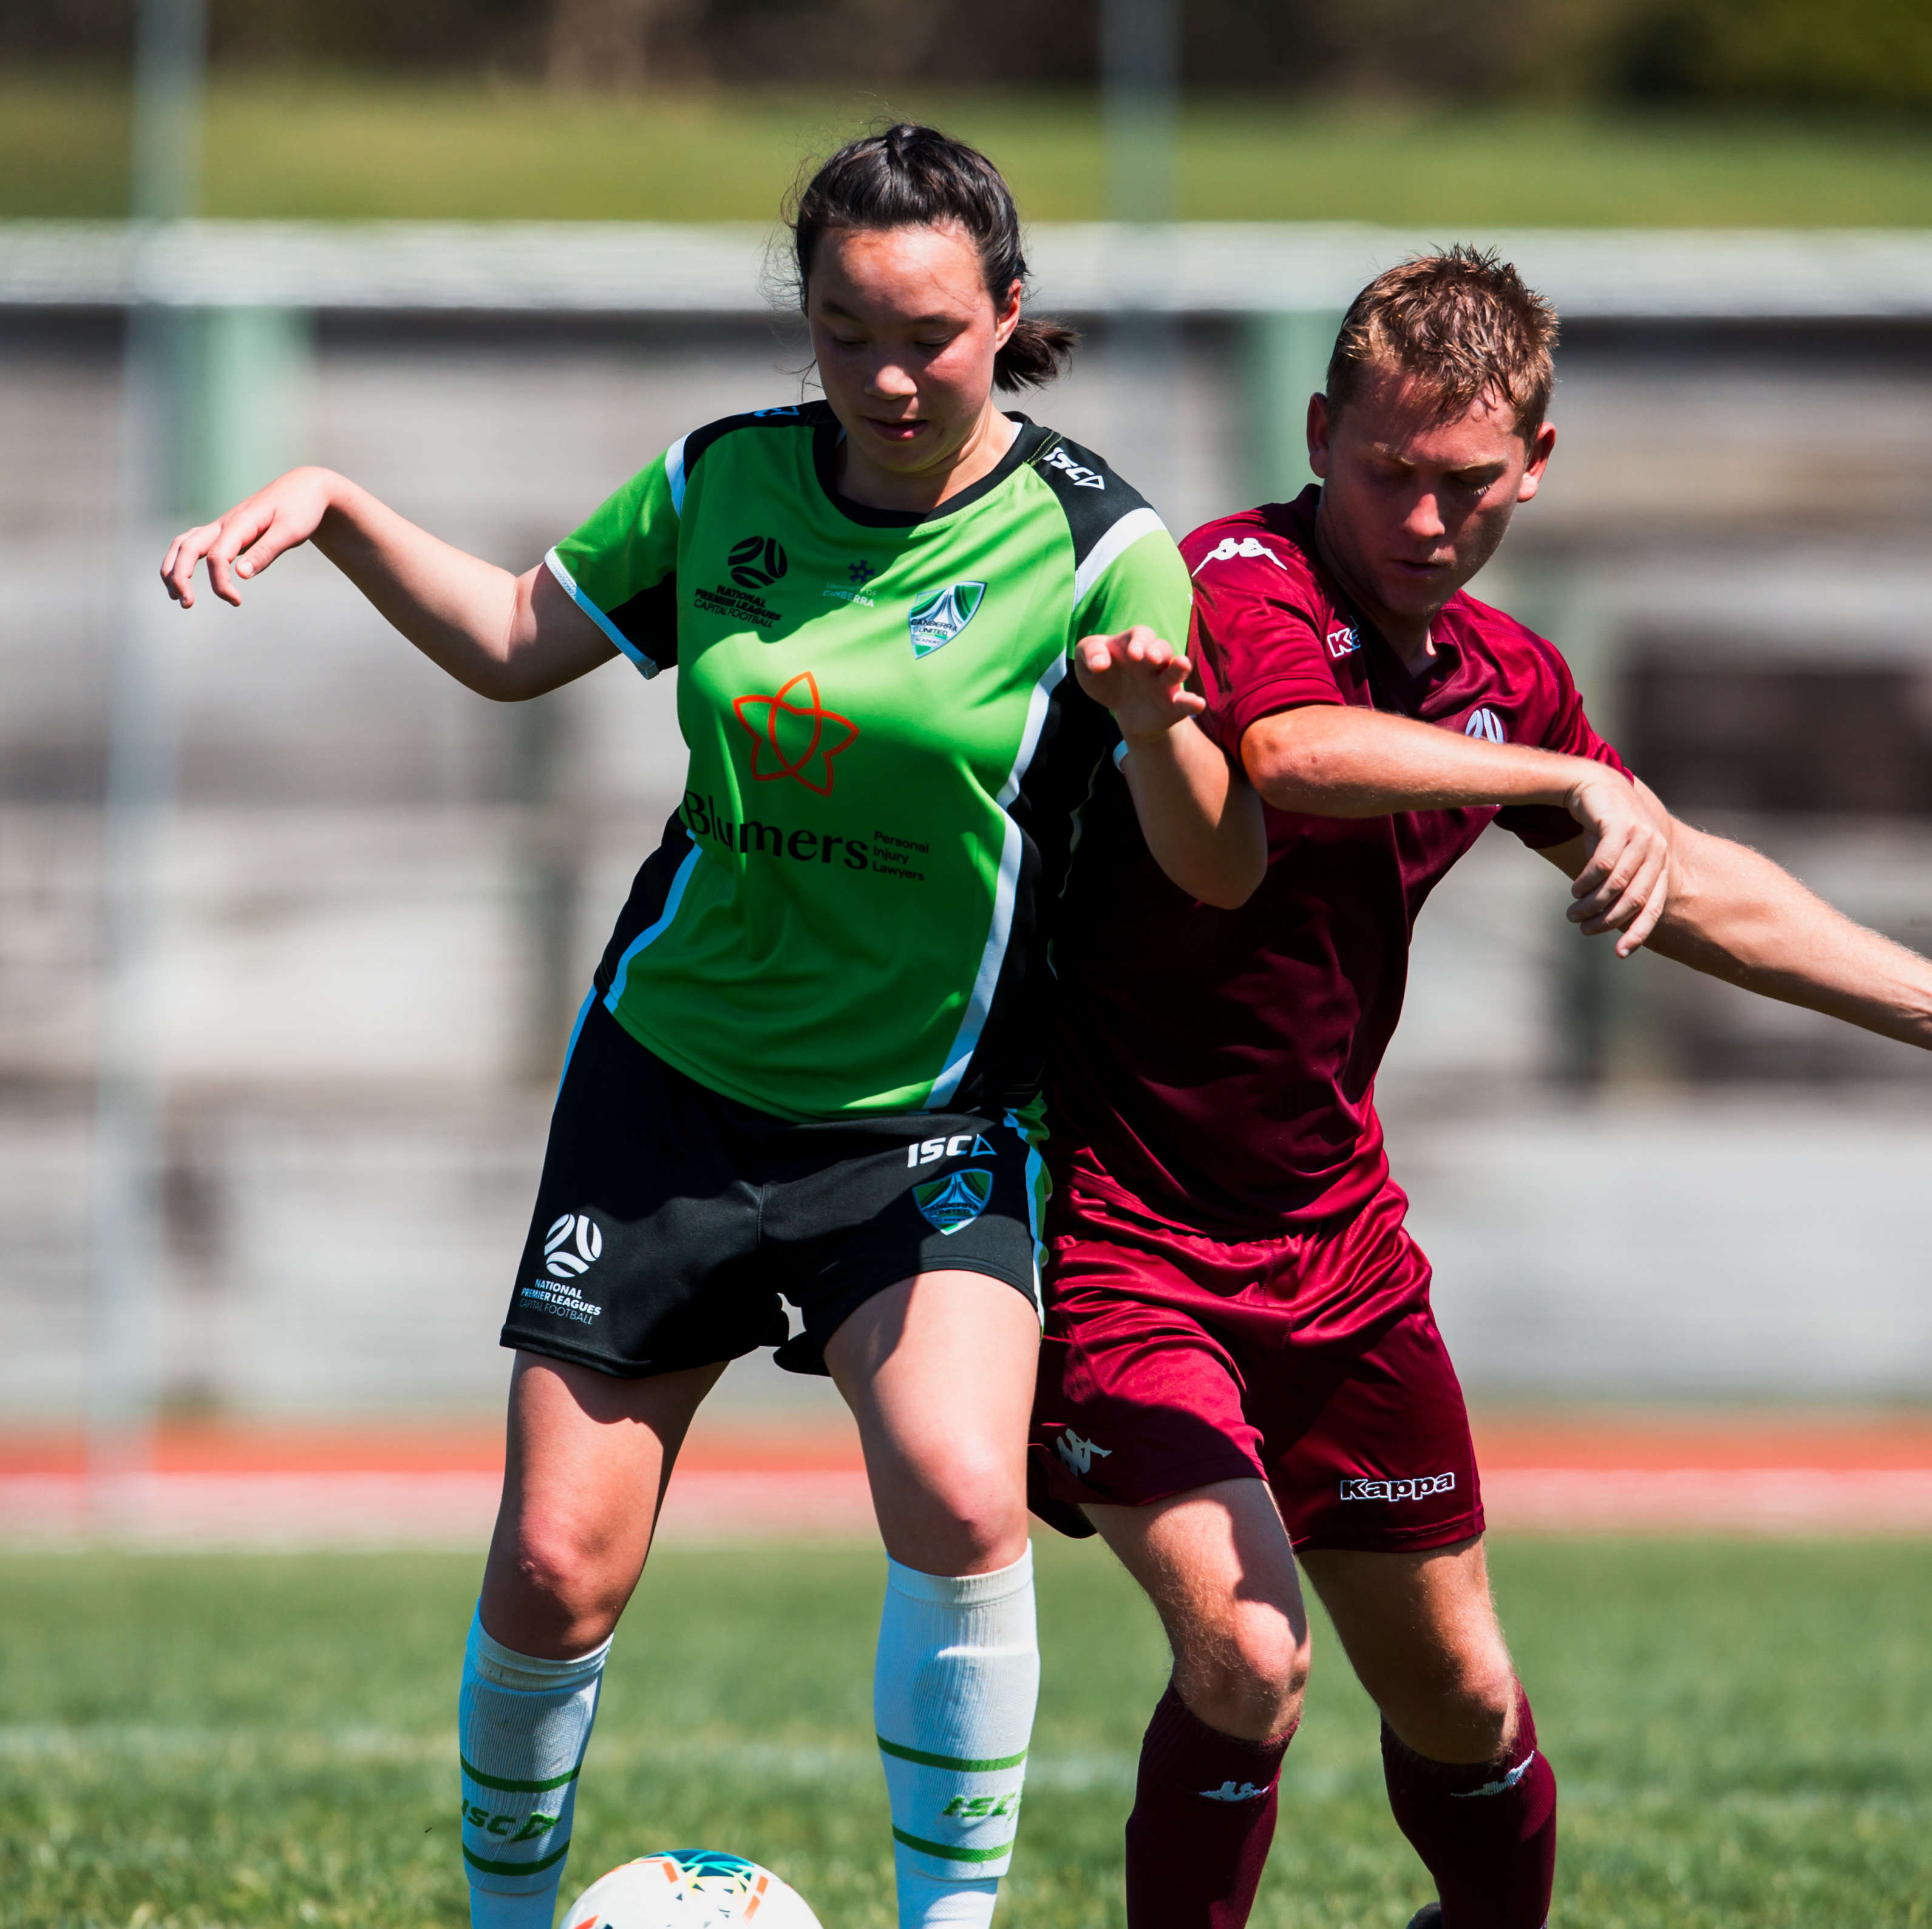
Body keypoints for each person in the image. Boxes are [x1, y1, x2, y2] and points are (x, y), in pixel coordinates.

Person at [160, 125, 1262, 1929]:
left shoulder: (1099, 544)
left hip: (930, 1110)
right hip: (670, 1085)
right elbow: (522, 637)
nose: (886, 375)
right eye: (842, 332)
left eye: (926, 331)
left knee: (970, 1496)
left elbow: (1219, 866)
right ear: (806, 327)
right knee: (549, 1564)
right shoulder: (722, 485)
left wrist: (1157, 731)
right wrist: (341, 507)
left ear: (1008, 312)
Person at [1030, 248, 1932, 1929]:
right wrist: (1559, 773)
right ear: (1319, 428)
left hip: (1339, 1253)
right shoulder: (1236, 580)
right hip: (1121, 1232)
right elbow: (1293, 756)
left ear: (1538, 463)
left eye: (1469, 484)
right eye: (1389, 473)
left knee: (1469, 1709)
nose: (1426, 519)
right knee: (1249, 1653)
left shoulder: (1507, 674)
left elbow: (1690, 878)